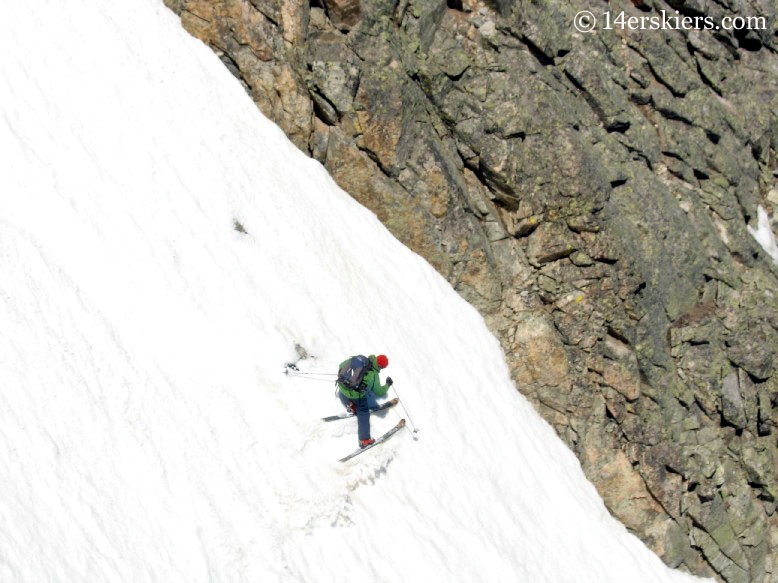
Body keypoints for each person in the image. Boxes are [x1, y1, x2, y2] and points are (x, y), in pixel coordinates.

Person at [337, 354, 393, 448]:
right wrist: (387, 384)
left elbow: (341, 365)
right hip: (353, 394)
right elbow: (379, 392)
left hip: (342, 387)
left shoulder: (362, 360)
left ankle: (351, 405)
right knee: (363, 410)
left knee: (352, 391)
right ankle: (364, 440)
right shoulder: (373, 374)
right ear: (381, 366)